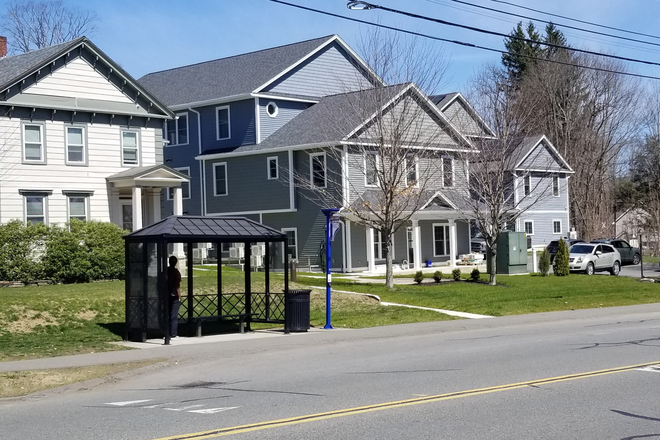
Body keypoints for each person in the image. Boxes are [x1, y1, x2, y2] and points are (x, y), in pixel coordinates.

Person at [168, 255, 182, 338]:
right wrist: (179, 296)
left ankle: (166, 332)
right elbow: (177, 285)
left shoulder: (166, 271)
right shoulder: (176, 272)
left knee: (167, 314)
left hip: (166, 295)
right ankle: (173, 333)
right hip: (174, 295)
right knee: (174, 315)